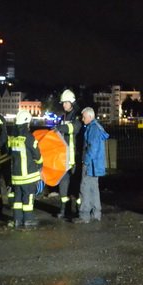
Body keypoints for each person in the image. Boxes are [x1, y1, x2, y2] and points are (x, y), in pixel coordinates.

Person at [8, 110, 43, 229]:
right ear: (26, 123)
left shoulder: (12, 137)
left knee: (17, 199)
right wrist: (40, 165)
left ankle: (17, 220)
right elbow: (37, 155)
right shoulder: (29, 137)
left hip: (16, 176)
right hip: (28, 175)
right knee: (28, 197)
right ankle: (28, 219)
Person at [78, 107, 109, 224]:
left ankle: (84, 216)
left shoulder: (93, 128)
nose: (82, 119)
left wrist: (85, 161)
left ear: (90, 117)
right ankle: (96, 214)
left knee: (84, 188)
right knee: (94, 189)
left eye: (84, 117)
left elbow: (92, 148)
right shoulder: (96, 127)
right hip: (96, 164)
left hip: (90, 164)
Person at [54, 89, 82, 220]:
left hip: (75, 157)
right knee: (63, 185)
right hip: (64, 157)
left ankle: (77, 210)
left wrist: (60, 128)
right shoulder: (64, 116)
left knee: (75, 186)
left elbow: (74, 128)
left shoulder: (77, 115)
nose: (64, 105)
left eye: (66, 102)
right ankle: (63, 209)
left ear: (71, 102)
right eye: (63, 103)